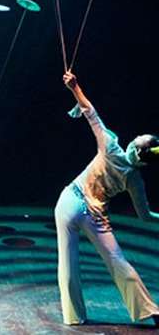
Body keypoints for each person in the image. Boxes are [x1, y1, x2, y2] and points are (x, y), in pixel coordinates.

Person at [55, 71, 159, 325]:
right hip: (93, 215)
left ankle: (73, 317)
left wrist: (74, 87)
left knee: (67, 262)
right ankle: (150, 311)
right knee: (117, 260)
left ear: (134, 146)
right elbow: (145, 216)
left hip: (69, 199)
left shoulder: (111, 145)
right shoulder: (134, 180)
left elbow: (90, 112)